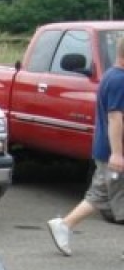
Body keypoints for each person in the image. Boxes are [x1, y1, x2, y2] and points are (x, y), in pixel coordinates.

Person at [47, 36, 124, 256]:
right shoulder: (119, 81)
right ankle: (64, 225)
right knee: (107, 196)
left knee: (99, 194)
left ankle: (64, 225)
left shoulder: (111, 76)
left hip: (106, 150)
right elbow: (115, 118)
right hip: (114, 152)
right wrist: (117, 154)